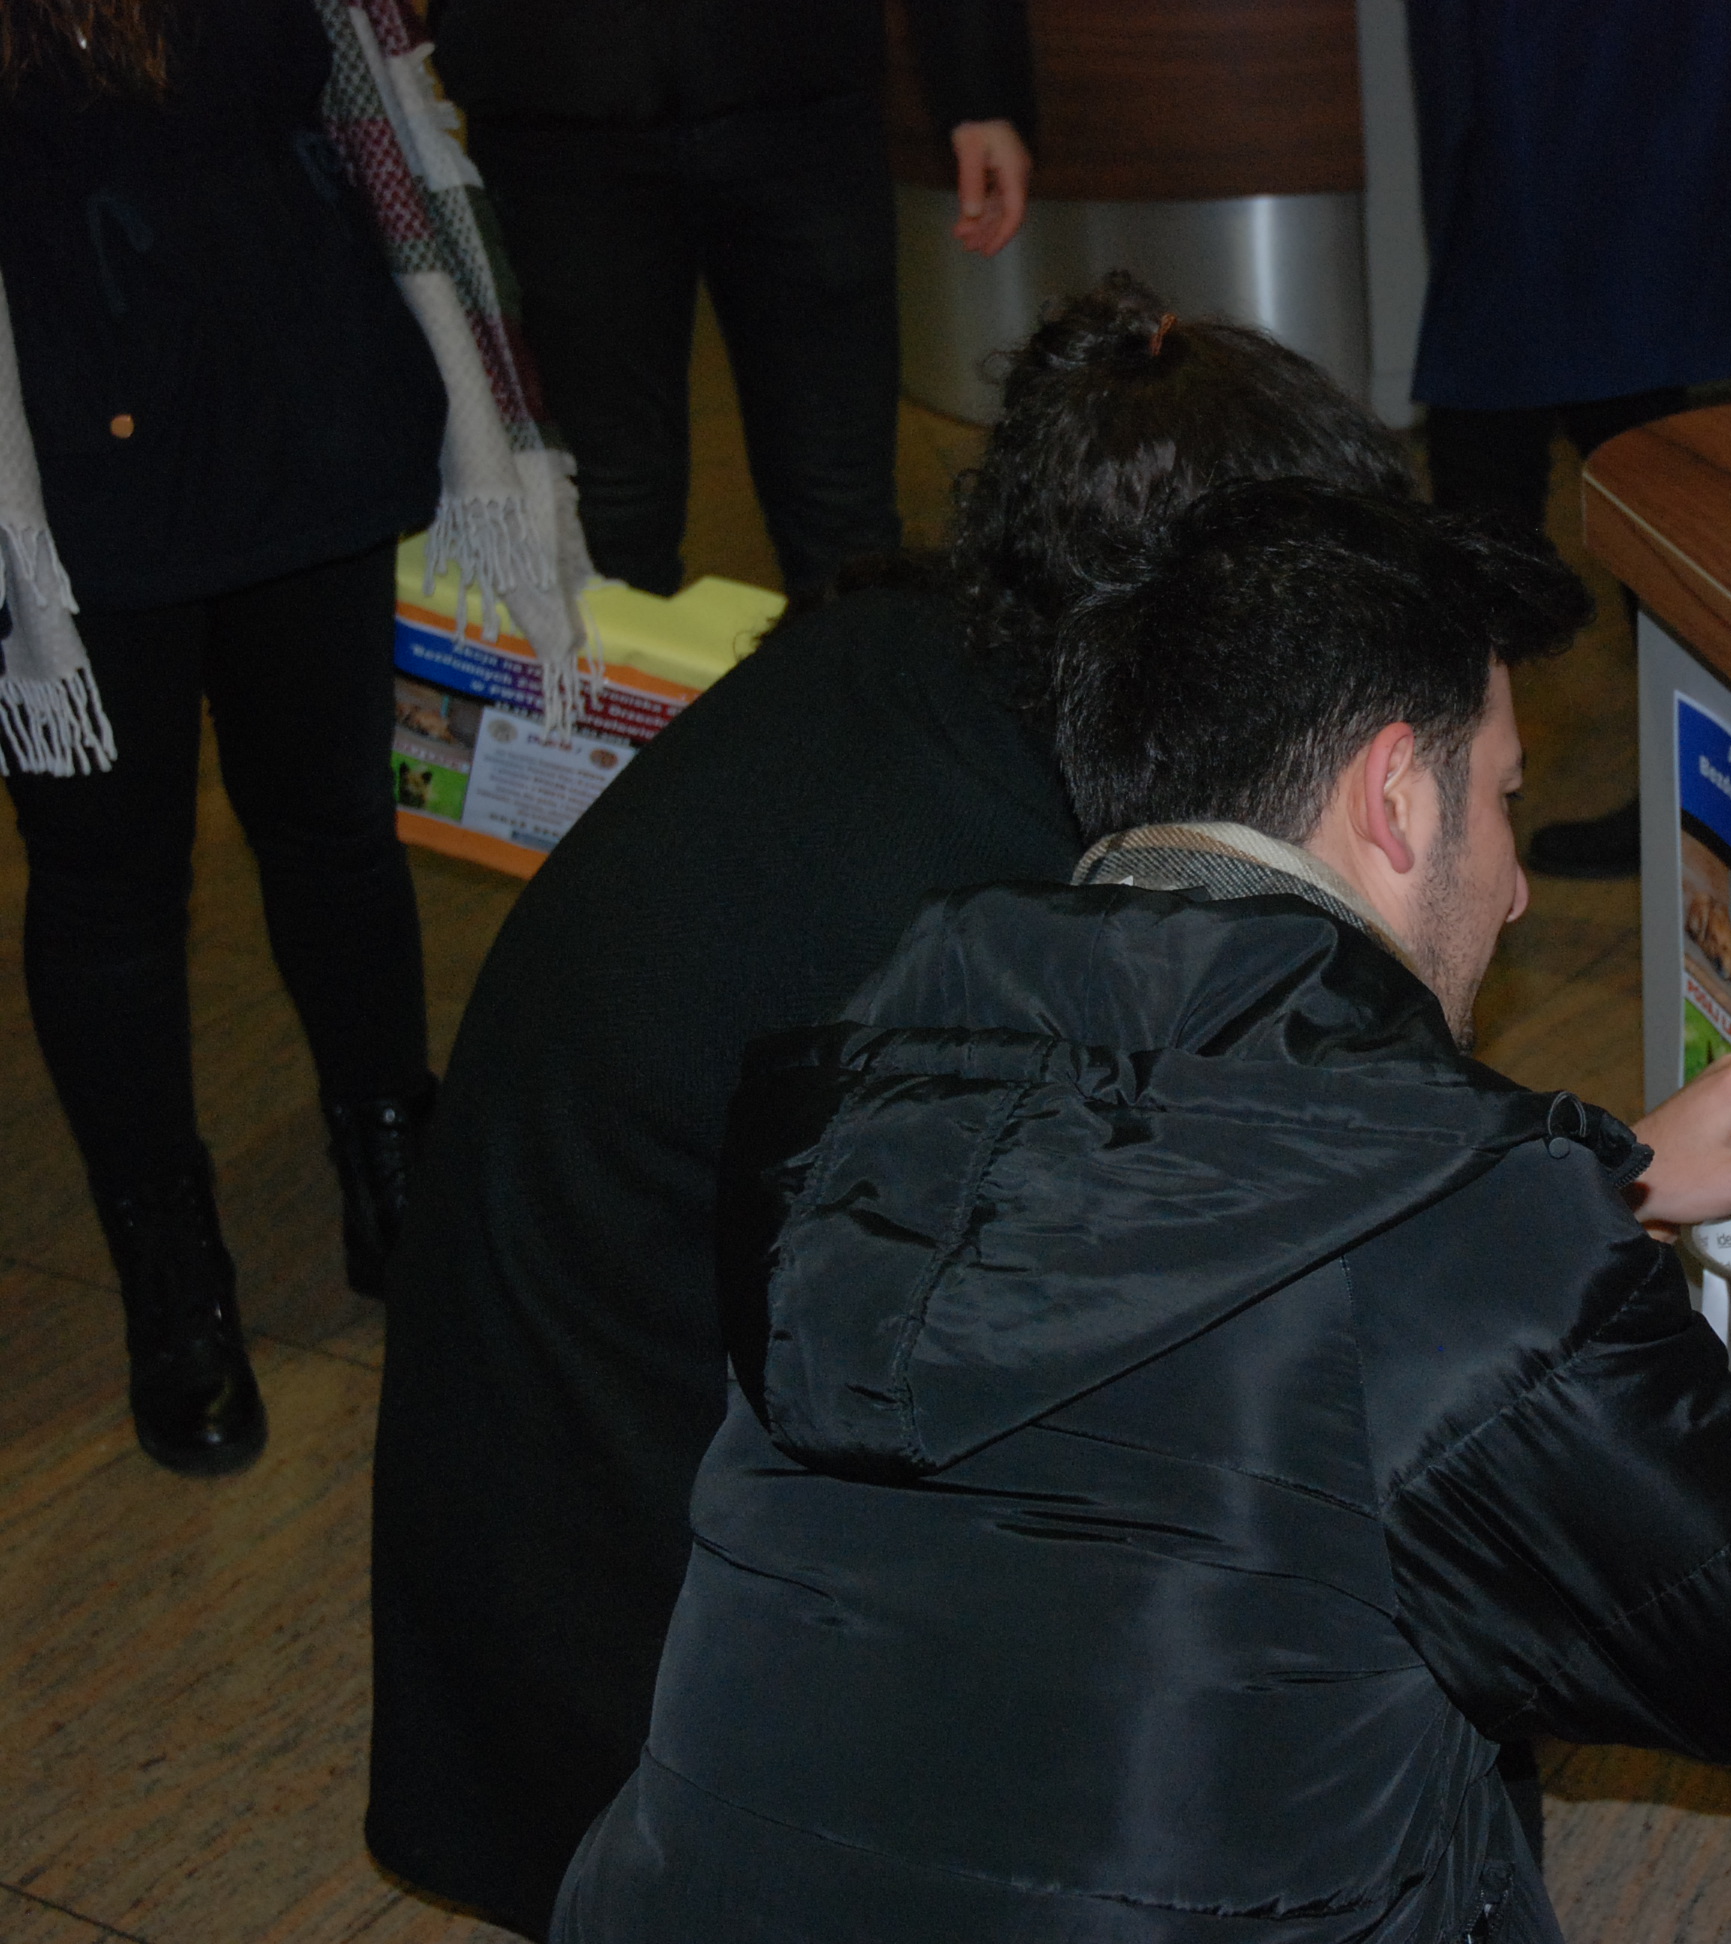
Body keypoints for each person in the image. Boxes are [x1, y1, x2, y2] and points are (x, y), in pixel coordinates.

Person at [550, 481, 1731, 1942]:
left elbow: (1178, 1271)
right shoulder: (1449, 1237)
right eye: (1501, 798)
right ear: (1395, 798)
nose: (1515, 891)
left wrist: (1587, 1181)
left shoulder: (880, 1056)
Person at [366, 276, 1419, 1938]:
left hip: (565, 1503)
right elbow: (1186, 1346)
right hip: (638, 1646)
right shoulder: (987, 924)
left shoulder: (918, 661)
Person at [0, 0, 523, 1475]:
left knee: (334, 821)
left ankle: (396, 1185)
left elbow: (362, 96)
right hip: (73, 453)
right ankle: (173, 1277)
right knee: (109, 884)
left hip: (303, 395)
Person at [1407, 0, 1731, 879]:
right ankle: (1676, 792)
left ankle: (1462, 809)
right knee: (1628, 493)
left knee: (1504, 503)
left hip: (1538, 131)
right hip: (1632, 126)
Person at [429, 0, 1036, 603]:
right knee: (604, 510)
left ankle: (848, 661)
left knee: (841, 510)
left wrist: (979, 87)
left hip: (801, 95)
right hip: (552, 103)